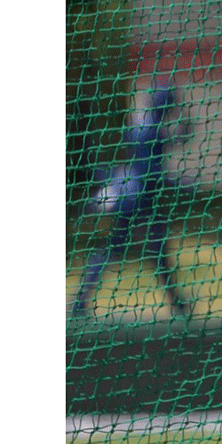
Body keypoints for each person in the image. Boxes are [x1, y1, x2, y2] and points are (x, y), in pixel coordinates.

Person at [70, 84, 195, 320]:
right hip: (140, 195)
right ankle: (176, 302)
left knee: (128, 248)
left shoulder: (145, 123)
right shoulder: (148, 128)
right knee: (146, 249)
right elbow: (150, 170)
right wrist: (177, 183)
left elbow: (180, 137)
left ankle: (80, 301)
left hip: (133, 192)